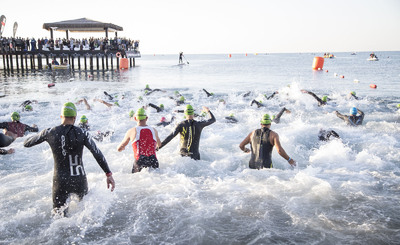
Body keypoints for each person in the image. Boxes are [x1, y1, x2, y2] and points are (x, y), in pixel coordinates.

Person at [23, 102, 115, 216]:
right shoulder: (83, 133)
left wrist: (42, 133)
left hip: (60, 180)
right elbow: (97, 153)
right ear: (75, 118)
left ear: (61, 116)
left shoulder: (50, 132)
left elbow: (26, 143)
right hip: (79, 178)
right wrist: (108, 174)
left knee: (59, 218)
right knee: (85, 215)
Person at [117, 108, 161, 173]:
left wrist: (122, 148)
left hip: (139, 161)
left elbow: (119, 149)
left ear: (135, 119)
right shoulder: (154, 130)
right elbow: (159, 144)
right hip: (153, 160)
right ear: (146, 118)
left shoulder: (131, 131)